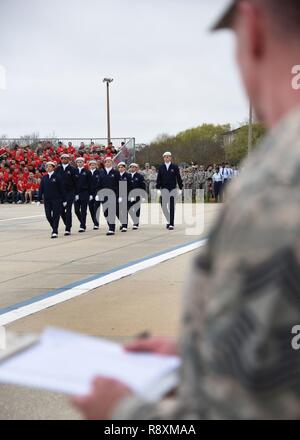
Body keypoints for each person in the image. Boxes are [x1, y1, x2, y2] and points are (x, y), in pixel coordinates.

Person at [73, 0, 300, 420]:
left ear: (252, 29)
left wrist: (122, 413)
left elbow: (247, 410)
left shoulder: (279, 180)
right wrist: (199, 359)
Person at [38, 162, 66, 239]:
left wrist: (64, 200)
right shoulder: (44, 177)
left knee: (56, 215)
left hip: (56, 199)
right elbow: (41, 189)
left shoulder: (57, 176)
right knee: (48, 216)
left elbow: (62, 189)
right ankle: (54, 227)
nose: (48, 168)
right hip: (47, 200)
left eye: (50, 166)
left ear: (53, 168)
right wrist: (38, 199)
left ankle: (54, 231)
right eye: (47, 167)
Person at [156, 152, 183, 230]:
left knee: (171, 206)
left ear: (170, 158)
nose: (167, 158)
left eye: (168, 157)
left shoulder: (174, 167)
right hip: (164, 189)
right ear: (163, 158)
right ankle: (169, 220)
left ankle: (171, 223)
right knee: (163, 206)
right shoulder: (161, 167)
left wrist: (180, 188)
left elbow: (178, 177)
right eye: (165, 157)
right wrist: (158, 188)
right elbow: (159, 178)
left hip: (172, 189)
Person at [56, 154, 77, 236]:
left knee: (68, 210)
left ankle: (68, 228)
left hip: (70, 192)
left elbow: (76, 181)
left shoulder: (72, 169)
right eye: (62, 158)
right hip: (60, 193)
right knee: (61, 210)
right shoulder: (58, 169)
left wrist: (76, 193)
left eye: (66, 158)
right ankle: (67, 223)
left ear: (68, 159)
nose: (64, 160)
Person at [98, 157, 120, 236]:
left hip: (113, 195)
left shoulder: (116, 173)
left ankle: (111, 228)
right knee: (106, 212)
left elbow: (120, 184)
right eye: (106, 162)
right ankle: (110, 225)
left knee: (111, 211)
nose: (107, 163)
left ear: (112, 163)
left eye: (109, 162)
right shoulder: (101, 173)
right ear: (104, 163)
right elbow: (99, 185)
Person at [74, 157, 93, 233]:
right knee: (76, 210)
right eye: (78, 162)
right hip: (76, 193)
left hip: (84, 193)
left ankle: (82, 225)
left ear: (83, 163)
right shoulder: (74, 171)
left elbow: (90, 183)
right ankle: (82, 222)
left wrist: (91, 194)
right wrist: (74, 193)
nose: (79, 163)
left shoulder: (87, 172)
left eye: (81, 162)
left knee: (83, 210)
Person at [128, 163, 146, 230]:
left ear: (136, 168)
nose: (132, 168)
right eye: (131, 167)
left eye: (134, 167)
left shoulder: (139, 176)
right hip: (129, 195)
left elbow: (143, 186)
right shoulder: (127, 175)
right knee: (128, 209)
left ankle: (136, 223)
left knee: (137, 209)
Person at [117, 162, 131, 232]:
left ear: (124, 168)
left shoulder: (128, 175)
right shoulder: (116, 175)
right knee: (118, 211)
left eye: (122, 167)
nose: (120, 168)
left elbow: (130, 186)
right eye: (119, 167)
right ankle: (122, 223)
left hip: (126, 195)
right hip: (117, 195)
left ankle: (125, 226)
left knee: (124, 210)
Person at [88, 160, 101, 230]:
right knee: (91, 209)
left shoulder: (99, 172)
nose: (92, 166)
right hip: (90, 193)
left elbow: (100, 184)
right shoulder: (87, 173)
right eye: (91, 165)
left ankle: (96, 223)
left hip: (97, 193)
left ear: (96, 165)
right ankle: (94, 221)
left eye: (93, 165)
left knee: (96, 208)